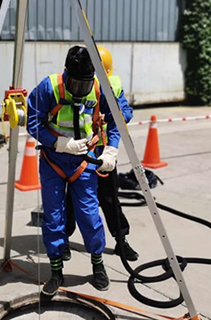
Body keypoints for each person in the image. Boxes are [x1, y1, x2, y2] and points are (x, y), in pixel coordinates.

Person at [27, 45, 122, 296]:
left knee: (89, 215)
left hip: (84, 162)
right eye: (75, 84)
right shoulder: (48, 87)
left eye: (84, 85)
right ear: (66, 73)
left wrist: (111, 151)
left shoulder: (101, 89)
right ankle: (56, 270)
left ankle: (98, 264)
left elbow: (115, 121)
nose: (79, 92)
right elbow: (32, 121)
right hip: (53, 161)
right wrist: (58, 142)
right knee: (54, 216)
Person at [63, 46, 139, 262]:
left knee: (109, 197)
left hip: (104, 152)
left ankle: (120, 240)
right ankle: (64, 240)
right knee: (70, 198)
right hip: (78, 151)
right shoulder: (73, 82)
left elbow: (126, 112)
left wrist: (112, 115)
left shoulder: (112, 85)